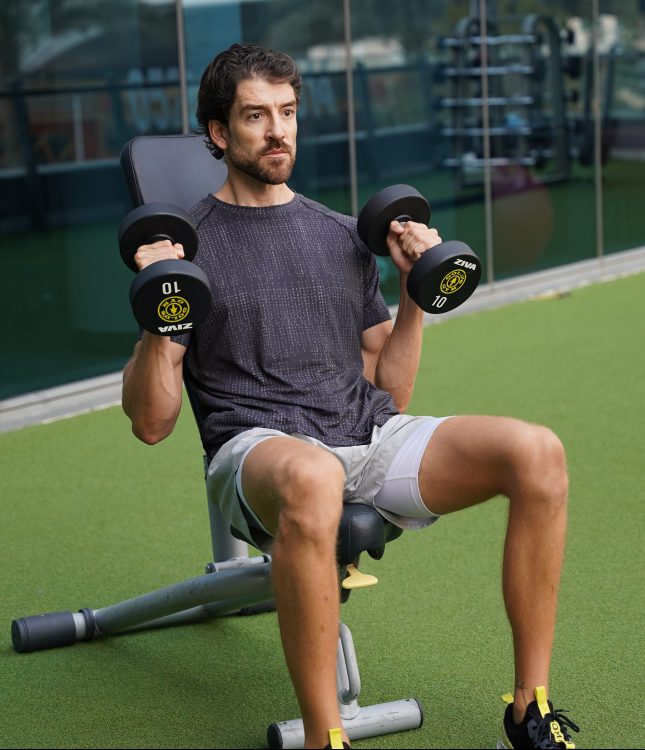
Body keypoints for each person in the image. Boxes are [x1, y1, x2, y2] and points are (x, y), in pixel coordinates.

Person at [122, 43, 580, 750]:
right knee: (312, 475)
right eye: (254, 116)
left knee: (537, 452)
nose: (277, 131)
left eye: (287, 113)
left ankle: (528, 710)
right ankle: (322, 738)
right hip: (260, 451)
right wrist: (162, 310)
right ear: (218, 133)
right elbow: (151, 424)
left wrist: (412, 291)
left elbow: (386, 390)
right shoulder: (189, 250)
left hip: (360, 437)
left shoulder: (338, 234)